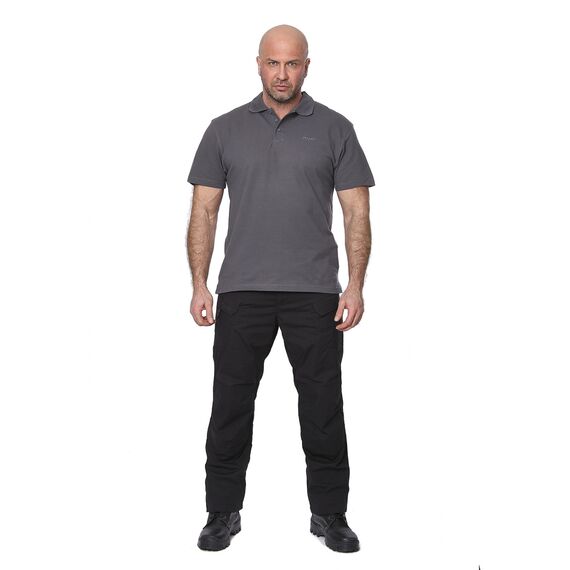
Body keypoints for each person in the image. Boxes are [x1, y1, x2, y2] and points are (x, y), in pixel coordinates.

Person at [185, 24, 375, 553]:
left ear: (307, 66)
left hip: (315, 292)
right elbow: (204, 210)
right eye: (273, 63)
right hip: (241, 289)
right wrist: (199, 284)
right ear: (259, 64)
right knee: (230, 405)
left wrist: (355, 286)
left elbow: (356, 211)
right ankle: (221, 512)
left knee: (322, 407)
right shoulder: (223, 130)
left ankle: (330, 514)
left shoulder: (336, 128)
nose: (282, 74)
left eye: (292, 64)